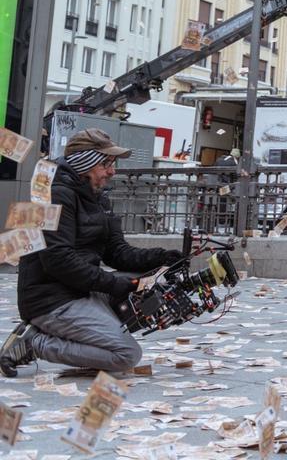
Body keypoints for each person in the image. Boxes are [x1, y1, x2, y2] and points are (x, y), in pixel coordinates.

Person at [0, 129, 186, 376]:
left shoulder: (98, 197)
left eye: (112, 164)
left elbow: (117, 252)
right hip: (51, 299)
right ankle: (35, 343)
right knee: (127, 356)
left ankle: (86, 331)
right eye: (106, 164)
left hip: (78, 289)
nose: (112, 171)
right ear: (84, 164)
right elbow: (58, 261)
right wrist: (116, 284)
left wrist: (163, 257)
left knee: (149, 284)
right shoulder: (51, 196)